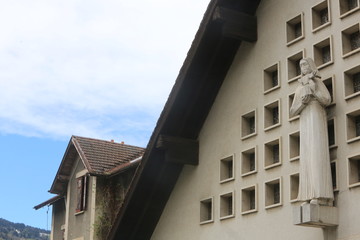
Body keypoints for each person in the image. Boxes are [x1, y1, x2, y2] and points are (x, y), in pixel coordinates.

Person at [290, 58, 334, 206]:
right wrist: (303, 103)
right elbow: (292, 111)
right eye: (300, 65)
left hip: (316, 119)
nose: (303, 67)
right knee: (307, 158)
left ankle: (320, 195)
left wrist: (314, 91)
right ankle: (307, 195)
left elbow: (327, 100)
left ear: (311, 66)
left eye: (305, 64)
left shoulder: (317, 83)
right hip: (305, 121)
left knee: (317, 156)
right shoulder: (299, 88)